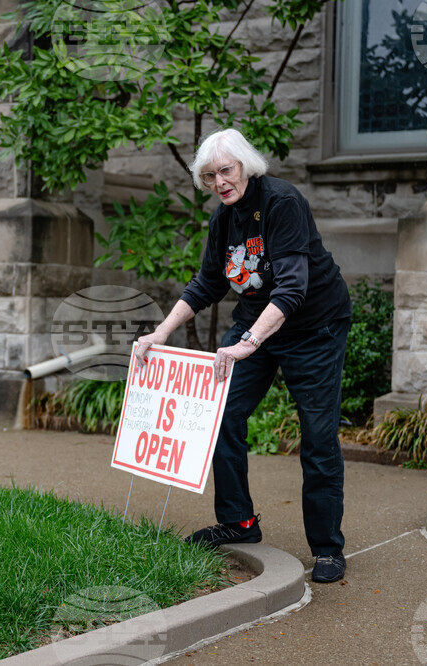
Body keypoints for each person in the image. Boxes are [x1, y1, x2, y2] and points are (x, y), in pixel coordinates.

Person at [134, 128, 353, 583]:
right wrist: (159, 332)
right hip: (256, 324)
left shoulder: (282, 203)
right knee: (222, 416)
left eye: (226, 170)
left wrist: (248, 343)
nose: (220, 181)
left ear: (245, 166)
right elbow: (207, 283)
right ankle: (239, 521)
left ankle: (328, 548)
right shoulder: (223, 220)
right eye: (210, 175)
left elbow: (293, 286)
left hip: (315, 327)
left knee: (316, 434)